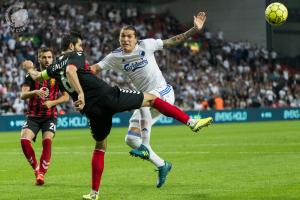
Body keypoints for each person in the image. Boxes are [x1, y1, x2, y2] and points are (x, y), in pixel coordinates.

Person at [22, 31, 213, 200]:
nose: (81, 48)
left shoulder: (53, 66)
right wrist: (80, 92)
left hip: (91, 110)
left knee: (100, 146)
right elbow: (72, 70)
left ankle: (94, 193)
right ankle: (191, 122)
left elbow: (38, 76)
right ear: (72, 46)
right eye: (79, 44)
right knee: (151, 100)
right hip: (107, 96)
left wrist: (29, 68)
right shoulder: (76, 55)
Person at [90, 11, 207, 188]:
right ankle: (162, 164)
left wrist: (193, 30)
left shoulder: (147, 45)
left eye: (129, 37)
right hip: (145, 99)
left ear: (136, 39)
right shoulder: (115, 57)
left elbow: (173, 40)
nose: (125, 40)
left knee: (143, 100)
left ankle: (186, 125)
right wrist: (74, 70)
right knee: (131, 140)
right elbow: (94, 69)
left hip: (163, 93)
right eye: (122, 37)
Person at [20, 47, 69, 185]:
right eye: (44, 57)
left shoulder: (58, 75)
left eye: (49, 57)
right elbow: (23, 95)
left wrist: (52, 102)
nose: (47, 60)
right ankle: (36, 169)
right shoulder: (30, 75)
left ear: (53, 59)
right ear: (39, 58)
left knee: (47, 140)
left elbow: (66, 97)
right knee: (24, 140)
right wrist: (35, 92)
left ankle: (41, 173)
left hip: (50, 116)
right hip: (33, 116)